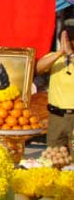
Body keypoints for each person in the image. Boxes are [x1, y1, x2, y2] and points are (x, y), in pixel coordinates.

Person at [36, 20, 74, 149]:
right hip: (57, 117)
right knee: (55, 155)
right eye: (68, 40)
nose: (70, 43)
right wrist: (60, 52)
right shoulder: (55, 57)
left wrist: (71, 54)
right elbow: (38, 68)